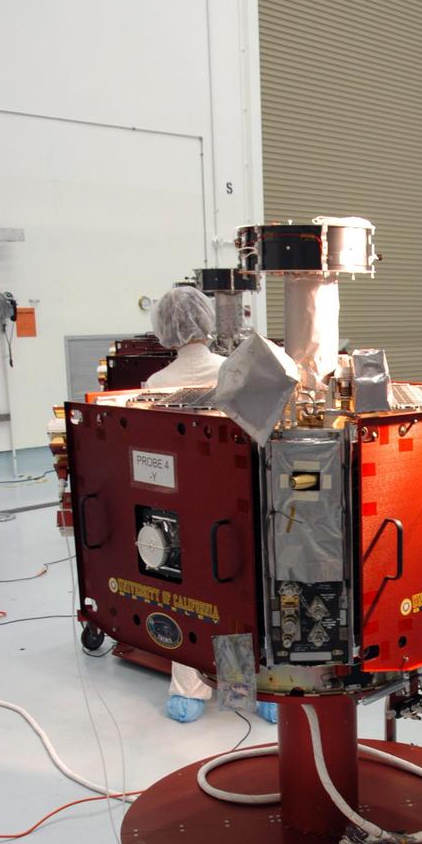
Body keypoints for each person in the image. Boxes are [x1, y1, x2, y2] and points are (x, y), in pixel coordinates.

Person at [144, 286, 277, 725]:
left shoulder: (155, 385)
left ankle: (189, 691)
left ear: (165, 330)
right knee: (239, 593)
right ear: (207, 321)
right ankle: (248, 687)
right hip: (240, 507)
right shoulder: (233, 371)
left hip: (179, 513)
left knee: (190, 594)